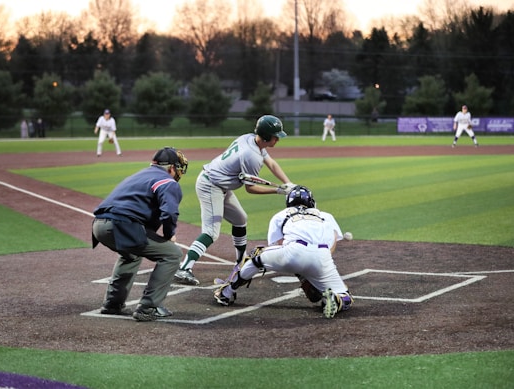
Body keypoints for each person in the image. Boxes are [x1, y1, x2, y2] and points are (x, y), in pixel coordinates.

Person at [174, 115, 296, 286]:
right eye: (276, 136)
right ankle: (184, 268)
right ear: (267, 136)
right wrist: (277, 190)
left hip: (222, 185)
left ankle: (241, 261)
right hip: (210, 185)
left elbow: (271, 163)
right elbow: (250, 188)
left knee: (240, 219)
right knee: (211, 232)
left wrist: (288, 183)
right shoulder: (251, 156)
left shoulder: (250, 139)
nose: (278, 139)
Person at [213, 185, 353, 319]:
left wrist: (300, 271)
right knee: (346, 296)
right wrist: (312, 274)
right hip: (323, 256)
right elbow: (332, 244)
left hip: (293, 253)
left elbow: (274, 245)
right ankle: (336, 298)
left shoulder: (282, 214)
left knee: (258, 254)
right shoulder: (326, 216)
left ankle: (227, 292)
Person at [91, 147, 189, 321]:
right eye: (178, 168)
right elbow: (169, 213)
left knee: (131, 255)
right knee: (172, 254)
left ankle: (112, 305)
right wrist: (169, 234)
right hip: (122, 225)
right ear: (171, 168)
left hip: (98, 226)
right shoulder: (168, 182)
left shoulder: (140, 175)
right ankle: (148, 307)